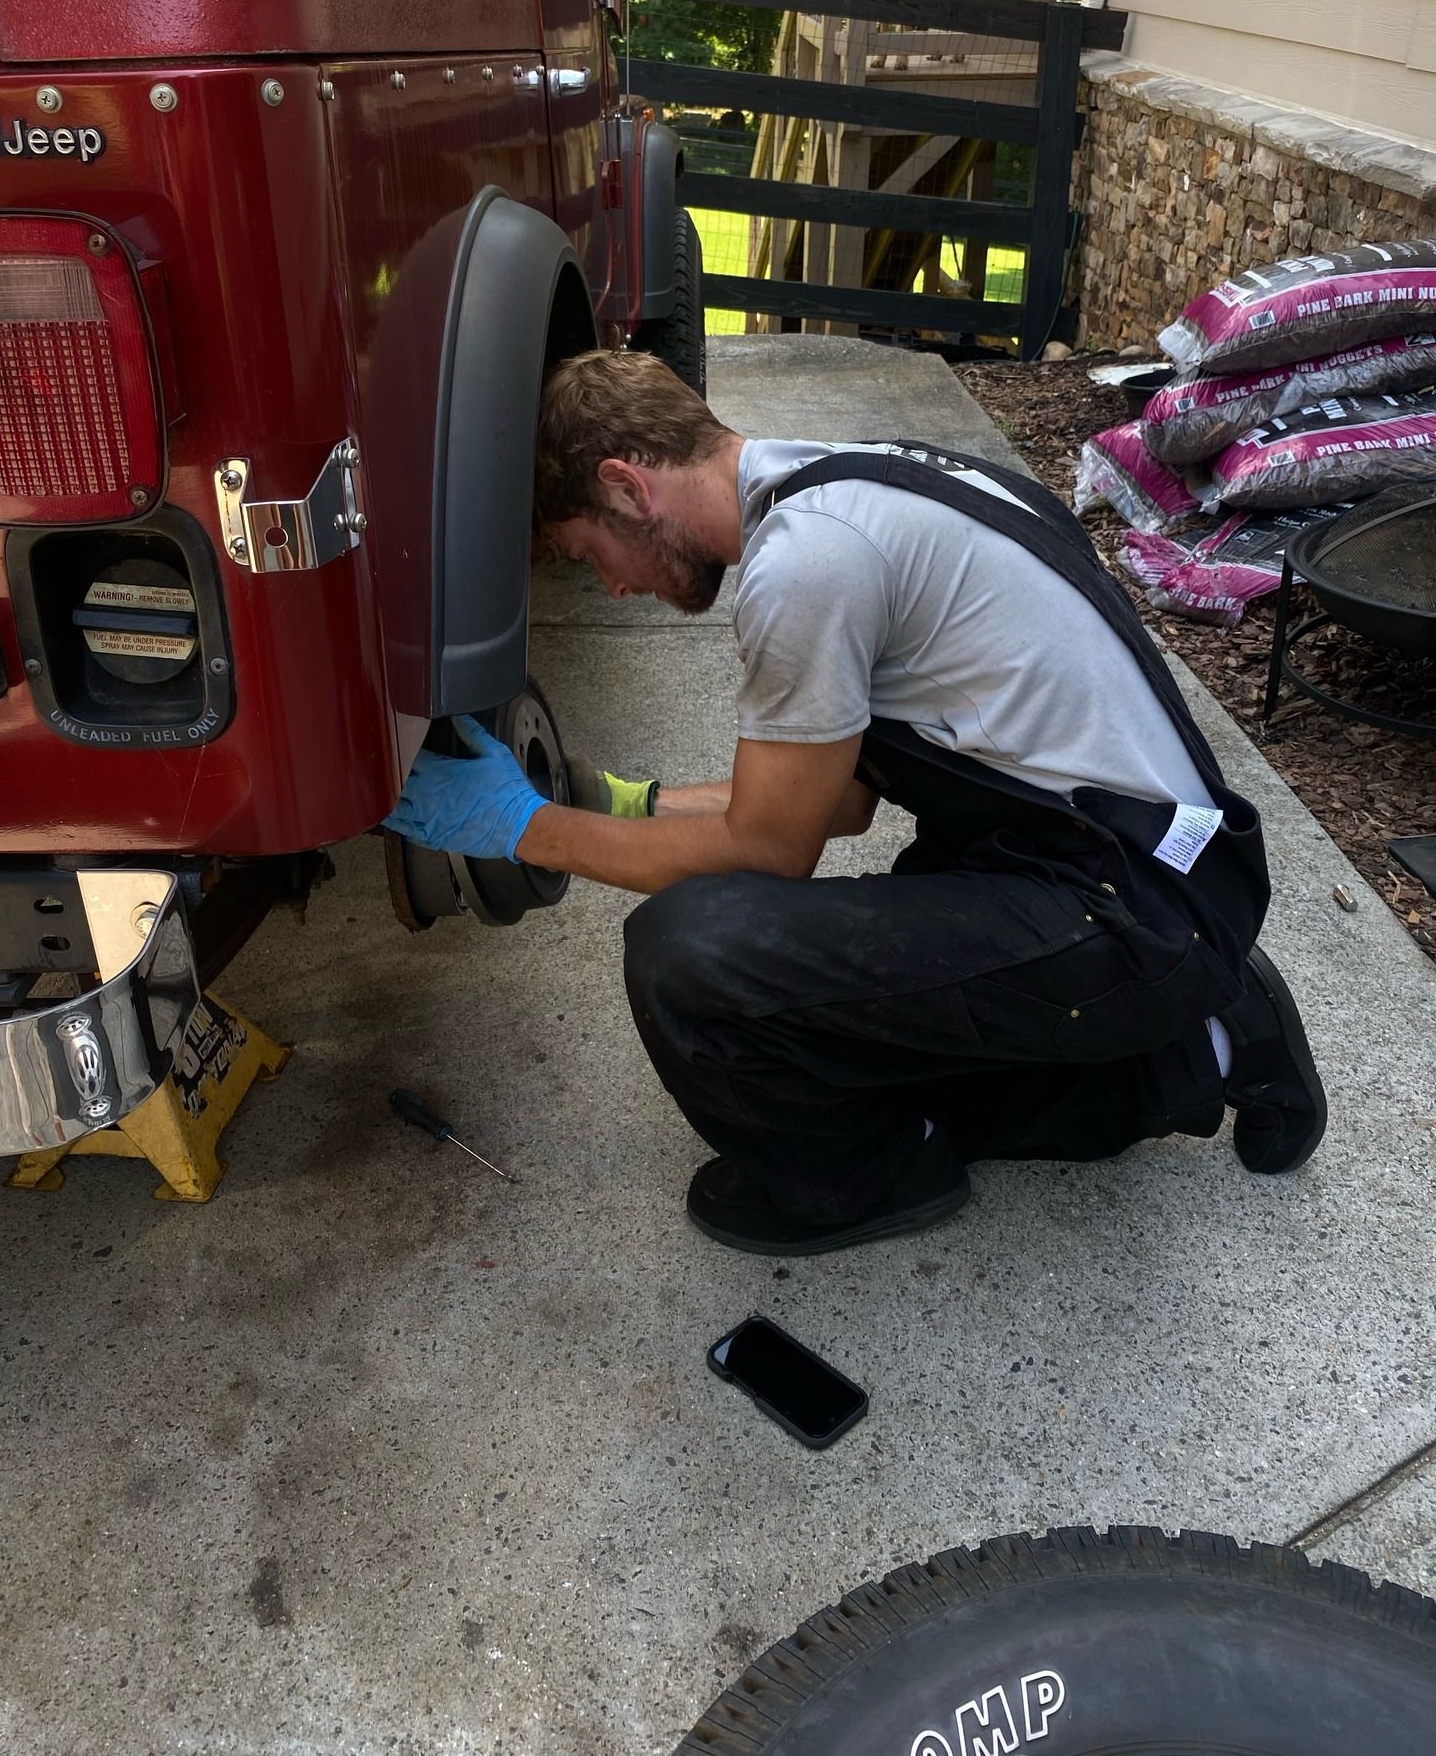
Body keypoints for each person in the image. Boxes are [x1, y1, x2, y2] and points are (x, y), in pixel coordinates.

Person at [385, 350, 1325, 1256]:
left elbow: (769, 851)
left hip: (1127, 907)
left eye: (591, 554)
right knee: (854, 1031)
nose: (615, 587)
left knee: (692, 959)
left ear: (628, 488)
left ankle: (876, 1178)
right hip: (1141, 865)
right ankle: (1214, 1026)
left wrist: (526, 828)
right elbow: (835, 802)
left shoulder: (805, 565)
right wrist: (628, 807)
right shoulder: (860, 485)